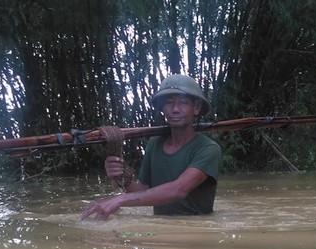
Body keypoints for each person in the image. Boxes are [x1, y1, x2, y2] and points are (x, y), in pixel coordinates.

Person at [81, 74, 222, 220]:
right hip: (160, 225)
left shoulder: (208, 149)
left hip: (195, 228)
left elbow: (178, 190)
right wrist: (121, 176)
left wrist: (119, 199)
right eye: (168, 103)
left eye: (183, 102)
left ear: (196, 107)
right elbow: (143, 190)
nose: (175, 109)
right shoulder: (154, 144)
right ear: (162, 108)